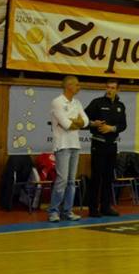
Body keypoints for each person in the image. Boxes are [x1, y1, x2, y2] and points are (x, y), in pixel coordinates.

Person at [47, 75, 89, 223]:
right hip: (62, 145)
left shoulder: (77, 103)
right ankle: (53, 211)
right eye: (76, 85)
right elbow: (67, 125)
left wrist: (76, 122)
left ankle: (67, 211)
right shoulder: (57, 102)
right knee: (62, 180)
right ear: (68, 86)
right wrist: (76, 122)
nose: (79, 87)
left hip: (75, 144)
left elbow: (86, 121)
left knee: (71, 181)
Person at [85, 79, 127, 217]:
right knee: (96, 177)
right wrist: (93, 123)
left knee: (109, 177)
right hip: (98, 144)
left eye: (113, 88)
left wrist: (111, 128)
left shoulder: (120, 106)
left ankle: (106, 207)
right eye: (108, 87)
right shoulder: (97, 103)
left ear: (118, 90)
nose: (109, 90)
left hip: (112, 145)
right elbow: (83, 120)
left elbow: (123, 125)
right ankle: (93, 208)